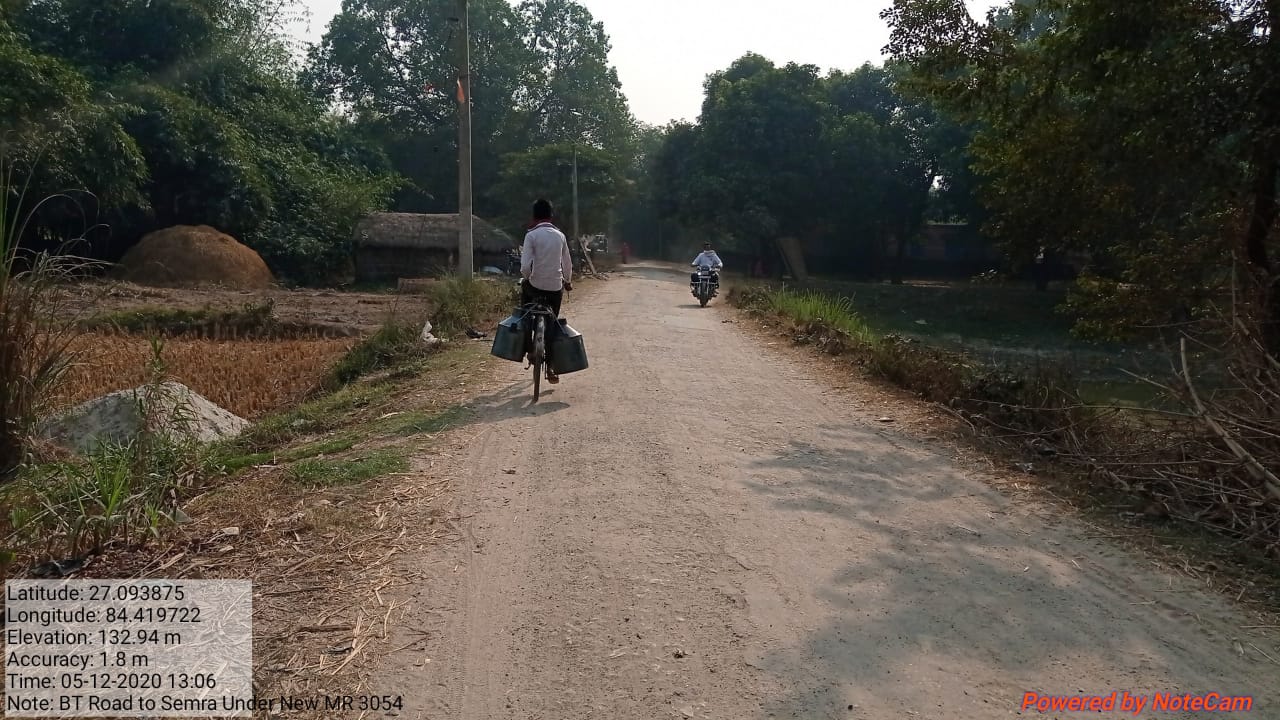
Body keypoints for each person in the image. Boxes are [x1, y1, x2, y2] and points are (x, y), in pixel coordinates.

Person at [520, 198, 573, 384]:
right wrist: (568, 281)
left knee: (525, 312)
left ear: (534, 216)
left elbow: (525, 267)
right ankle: (550, 366)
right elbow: (567, 264)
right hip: (555, 288)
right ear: (551, 216)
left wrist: (527, 277)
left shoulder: (531, 235)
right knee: (552, 322)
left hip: (534, 286)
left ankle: (528, 348)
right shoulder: (560, 236)